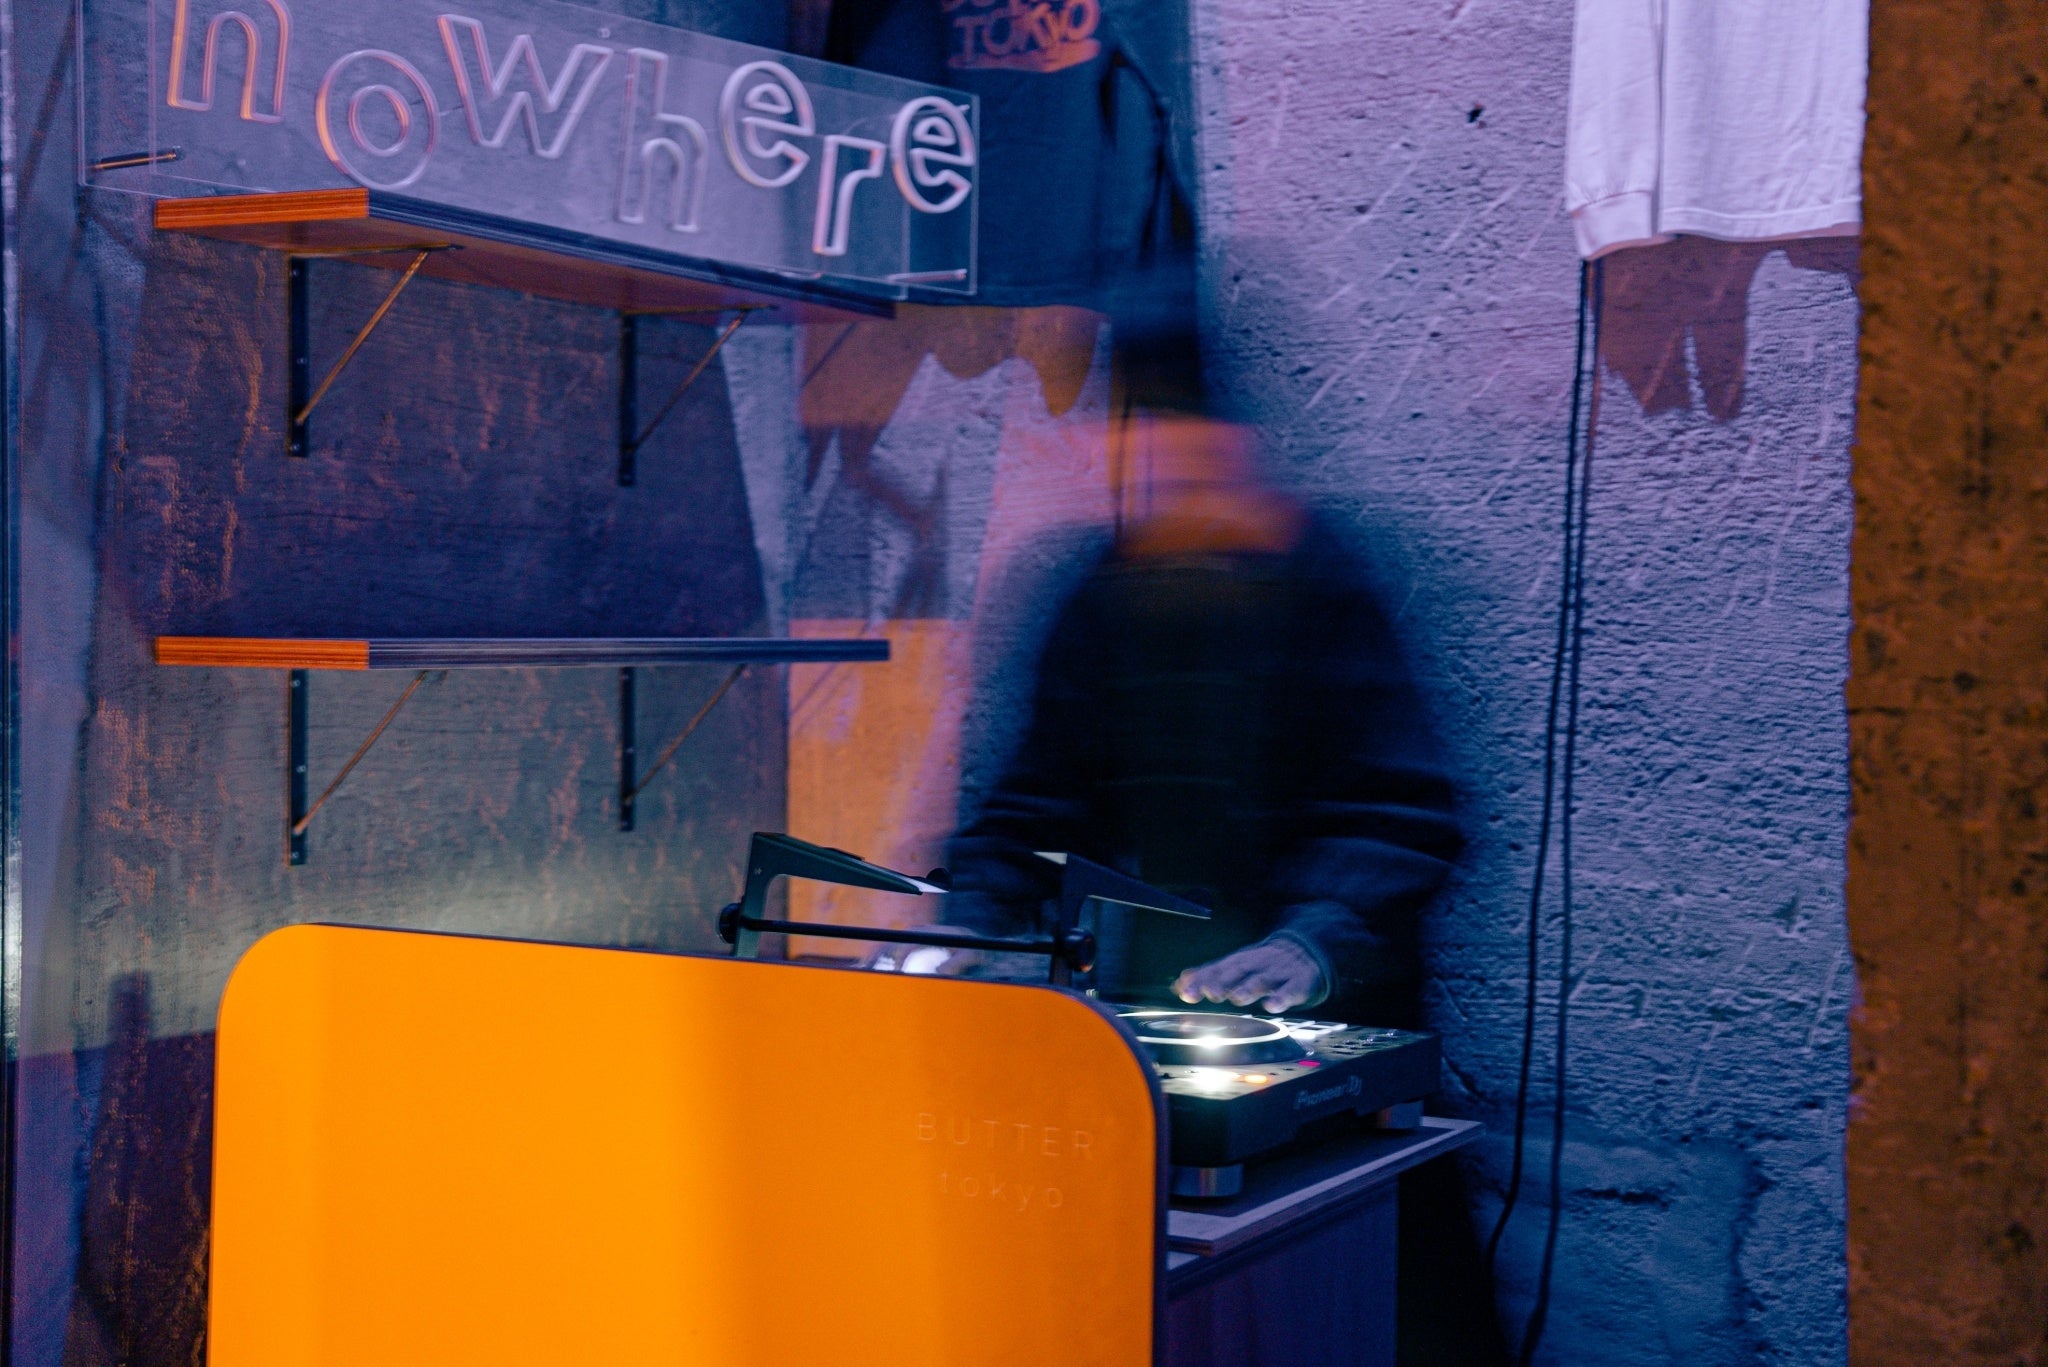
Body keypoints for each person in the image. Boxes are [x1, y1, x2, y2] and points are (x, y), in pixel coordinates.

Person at [880, 287, 1462, 1029]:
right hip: (1159, 1002)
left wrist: (1315, 943)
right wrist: (968, 922)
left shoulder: (1326, 584)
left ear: (1233, 447)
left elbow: (1400, 811)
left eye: (1187, 449)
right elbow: (1038, 804)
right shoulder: (1100, 594)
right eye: (1144, 446)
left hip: (1336, 1012)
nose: (1169, 476)